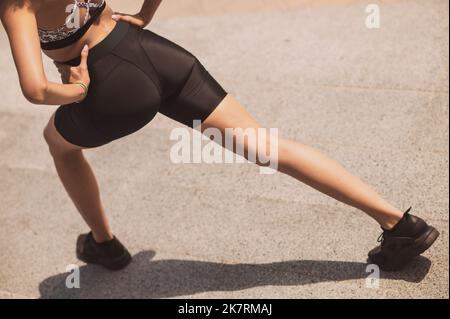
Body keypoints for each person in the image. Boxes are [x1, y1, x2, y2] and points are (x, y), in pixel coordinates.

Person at [0, 0, 439, 272]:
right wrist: (147, 13)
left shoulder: (16, 4)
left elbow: (36, 89)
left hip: (110, 87)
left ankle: (105, 246)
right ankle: (399, 223)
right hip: (156, 54)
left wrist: (77, 88)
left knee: (59, 146)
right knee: (266, 146)